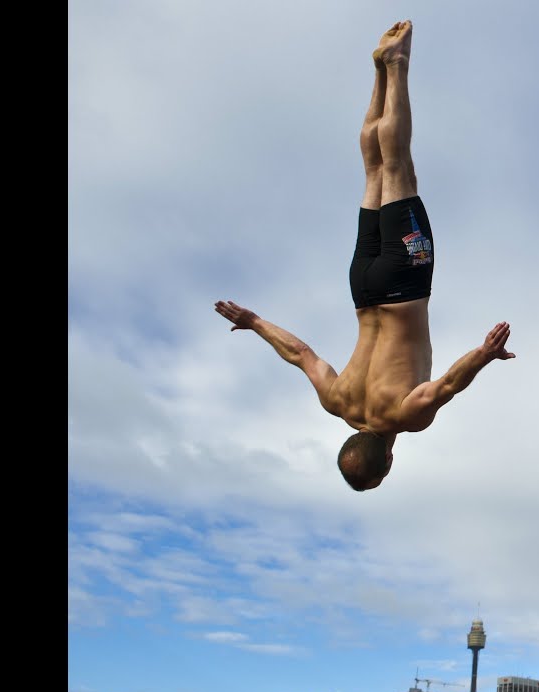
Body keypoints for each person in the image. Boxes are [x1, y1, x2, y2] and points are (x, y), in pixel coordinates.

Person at [214, 19, 515, 492]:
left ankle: (395, 65)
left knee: (397, 167)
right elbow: (300, 355)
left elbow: (447, 387)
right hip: (362, 285)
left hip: (405, 280)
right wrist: (254, 322)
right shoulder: (338, 403)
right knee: (373, 171)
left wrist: (484, 354)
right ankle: (378, 72)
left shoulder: (405, 418)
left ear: (387, 464)